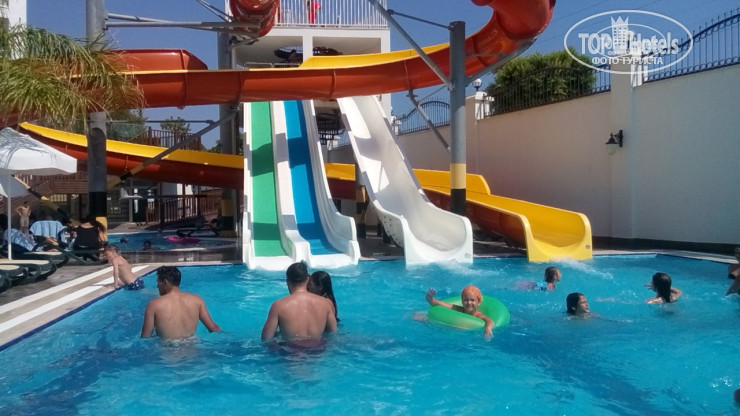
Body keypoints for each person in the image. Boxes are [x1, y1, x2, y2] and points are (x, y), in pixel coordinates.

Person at [261, 262, 337, 345]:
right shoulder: (326, 303)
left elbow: (266, 339)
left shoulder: (278, 306)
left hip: (290, 351)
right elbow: (333, 334)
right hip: (318, 350)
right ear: (307, 279)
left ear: (287, 281)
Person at [141, 266, 221, 340]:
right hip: (192, 347)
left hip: (167, 349)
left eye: (158, 282)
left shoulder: (154, 305)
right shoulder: (197, 300)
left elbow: (145, 337)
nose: (157, 286)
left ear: (165, 282)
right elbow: (214, 328)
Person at [425, 285, 494, 338]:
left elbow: (489, 321)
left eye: (472, 300)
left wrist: (488, 329)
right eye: (466, 300)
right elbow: (438, 303)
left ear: (478, 302)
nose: (469, 302)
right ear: (462, 301)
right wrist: (430, 299)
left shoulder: (478, 315)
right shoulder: (459, 309)